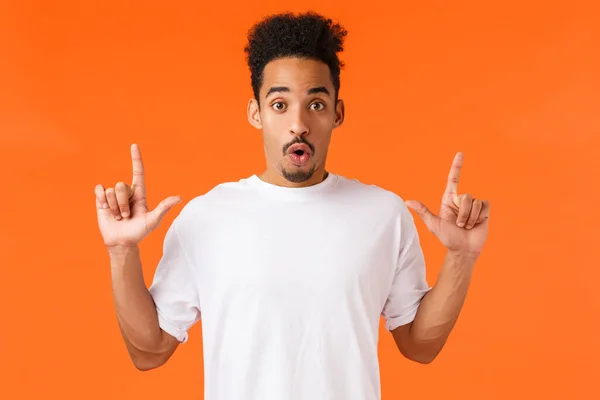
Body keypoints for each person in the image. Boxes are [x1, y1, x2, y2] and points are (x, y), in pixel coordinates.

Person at [94, 11, 490, 400]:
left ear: (337, 112)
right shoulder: (206, 219)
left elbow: (419, 346)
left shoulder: (383, 215)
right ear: (257, 113)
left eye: (315, 104)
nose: (298, 123)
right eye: (280, 104)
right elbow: (149, 351)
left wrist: (460, 256)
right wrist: (120, 250)